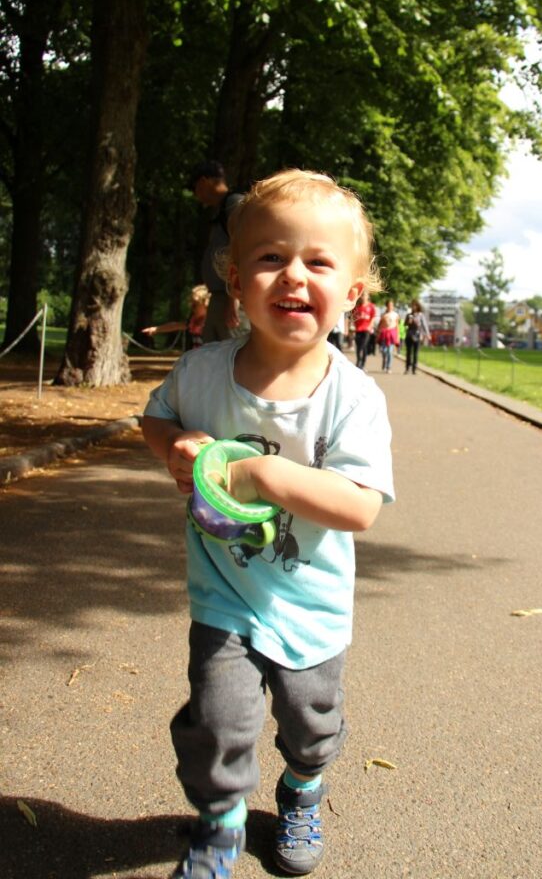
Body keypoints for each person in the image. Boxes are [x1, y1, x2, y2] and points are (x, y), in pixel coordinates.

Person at [141, 168, 394, 879]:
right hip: (223, 595)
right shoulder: (200, 374)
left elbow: (360, 506)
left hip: (309, 606)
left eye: (317, 262)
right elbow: (153, 417)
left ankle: (303, 785)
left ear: (351, 294)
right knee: (219, 722)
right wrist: (175, 449)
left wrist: (263, 474)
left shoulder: (352, 398)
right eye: (269, 257)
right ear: (234, 280)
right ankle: (219, 824)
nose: (291, 275)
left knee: (308, 724)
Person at [190, 160, 248, 343]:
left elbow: (243, 248)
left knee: (234, 354)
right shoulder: (222, 208)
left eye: (196, 189)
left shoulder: (234, 203)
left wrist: (234, 298)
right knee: (212, 355)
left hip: (231, 298)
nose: (197, 196)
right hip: (218, 297)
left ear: (204, 181)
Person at [141, 284, 210, 350]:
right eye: (191, 303)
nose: (191, 307)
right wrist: (156, 329)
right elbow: (176, 326)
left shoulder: (211, 322)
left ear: (206, 304)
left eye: (195, 305)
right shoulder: (193, 321)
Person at [404, 299, 430, 374]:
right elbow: (405, 325)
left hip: (417, 335)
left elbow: (424, 325)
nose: (413, 307)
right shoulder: (409, 315)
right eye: (412, 306)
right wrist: (408, 322)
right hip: (409, 335)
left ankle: (414, 369)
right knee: (409, 352)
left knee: (415, 353)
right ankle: (407, 367)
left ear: (418, 306)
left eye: (415, 305)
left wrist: (427, 334)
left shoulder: (421, 315)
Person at [352, 290, 375, 370]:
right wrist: (353, 327)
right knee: (358, 347)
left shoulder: (371, 306)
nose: (363, 297)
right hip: (358, 330)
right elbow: (354, 318)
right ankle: (358, 361)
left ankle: (363, 363)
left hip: (366, 330)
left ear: (368, 297)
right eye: (362, 295)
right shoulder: (357, 307)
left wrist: (370, 326)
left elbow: (373, 318)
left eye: (365, 295)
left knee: (363, 346)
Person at [377, 299, 399, 373]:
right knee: (384, 351)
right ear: (387, 306)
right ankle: (384, 362)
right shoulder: (384, 315)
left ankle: (388, 367)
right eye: (389, 305)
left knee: (390, 351)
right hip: (384, 334)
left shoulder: (395, 315)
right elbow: (380, 326)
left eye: (392, 305)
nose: (390, 307)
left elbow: (397, 326)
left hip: (392, 334)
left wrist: (397, 337)